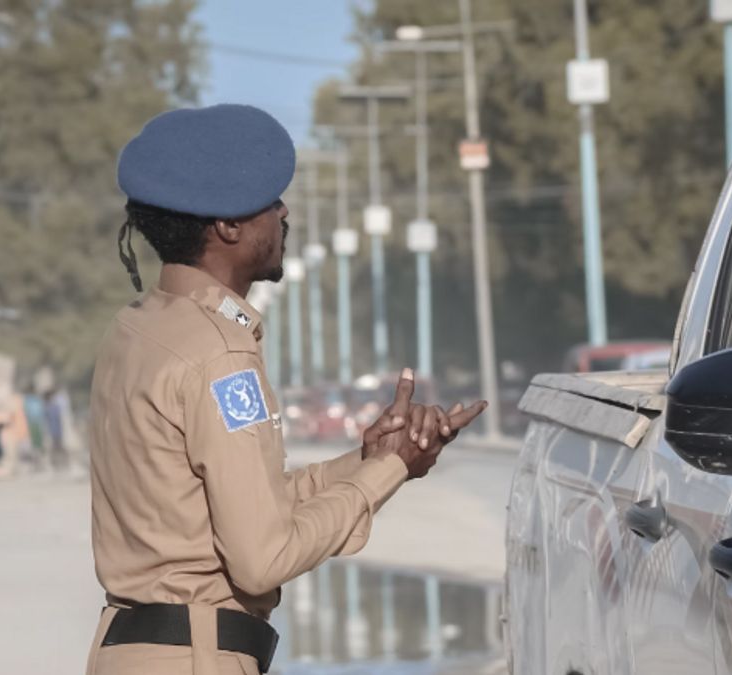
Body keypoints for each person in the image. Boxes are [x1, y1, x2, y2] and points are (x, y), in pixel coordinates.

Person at [85, 104, 486, 675]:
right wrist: (389, 473)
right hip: (193, 657)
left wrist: (370, 460)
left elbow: (232, 506)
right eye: (271, 202)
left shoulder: (139, 327)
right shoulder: (218, 356)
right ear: (228, 226)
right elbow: (262, 557)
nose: (283, 213)